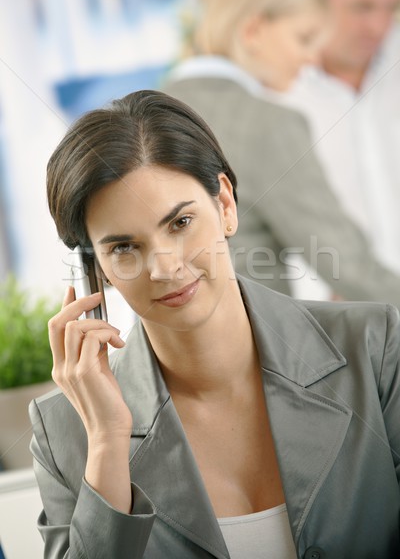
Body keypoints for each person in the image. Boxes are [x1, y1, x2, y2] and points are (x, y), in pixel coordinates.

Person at [30, 89, 400, 558]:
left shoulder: (374, 348)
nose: (164, 267)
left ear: (225, 204)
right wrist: (106, 441)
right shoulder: (64, 433)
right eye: (124, 247)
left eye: (180, 223)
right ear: (95, 267)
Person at [162, 0, 400, 306]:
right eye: (303, 38)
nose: (309, 59)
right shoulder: (267, 122)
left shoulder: (155, 107)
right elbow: (345, 263)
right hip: (257, 348)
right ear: (254, 30)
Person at [284, 0, 400, 274]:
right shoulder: (279, 92)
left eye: (391, 7)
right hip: (332, 317)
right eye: (361, 7)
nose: (379, 26)